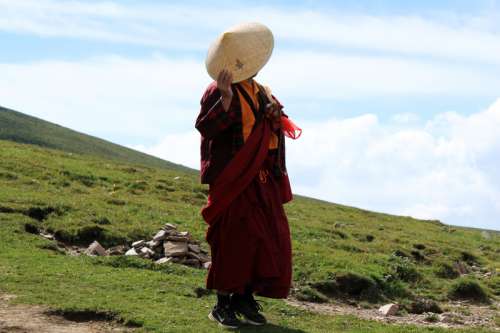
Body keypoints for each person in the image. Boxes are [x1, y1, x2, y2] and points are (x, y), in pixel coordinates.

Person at [195, 22, 301, 329]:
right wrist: (226, 99)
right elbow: (207, 128)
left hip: (261, 179)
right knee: (232, 240)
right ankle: (222, 304)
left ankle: (244, 299)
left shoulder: (263, 92)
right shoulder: (217, 89)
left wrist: (274, 118)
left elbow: (277, 127)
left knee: (265, 239)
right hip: (233, 179)